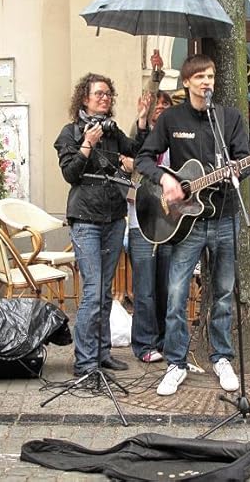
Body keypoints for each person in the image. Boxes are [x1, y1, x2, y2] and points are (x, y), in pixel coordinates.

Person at [135, 54, 250, 396]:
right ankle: (176, 363)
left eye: (210, 76)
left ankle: (222, 358)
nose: (206, 82)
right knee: (176, 294)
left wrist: (238, 170)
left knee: (224, 293)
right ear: (186, 82)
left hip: (225, 216)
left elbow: (245, 160)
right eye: (199, 77)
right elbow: (143, 158)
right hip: (186, 223)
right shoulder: (172, 118)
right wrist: (165, 179)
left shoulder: (228, 118)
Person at [54, 72, 149, 377]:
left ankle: (102, 353)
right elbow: (70, 174)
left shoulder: (112, 131)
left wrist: (142, 121)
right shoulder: (70, 133)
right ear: (85, 98)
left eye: (109, 94)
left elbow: (137, 151)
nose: (105, 98)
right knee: (93, 291)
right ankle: (84, 363)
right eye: (99, 93)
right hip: (85, 220)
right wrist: (87, 144)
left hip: (113, 218)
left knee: (105, 291)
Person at [126, 51, 174, 363]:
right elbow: (137, 141)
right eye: (157, 107)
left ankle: (165, 340)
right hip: (140, 223)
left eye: (165, 109)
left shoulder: (175, 143)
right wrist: (155, 76)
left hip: (169, 223)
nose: (160, 112)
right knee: (144, 288)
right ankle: (144, 345)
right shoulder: (140, 139)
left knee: (165, 286)